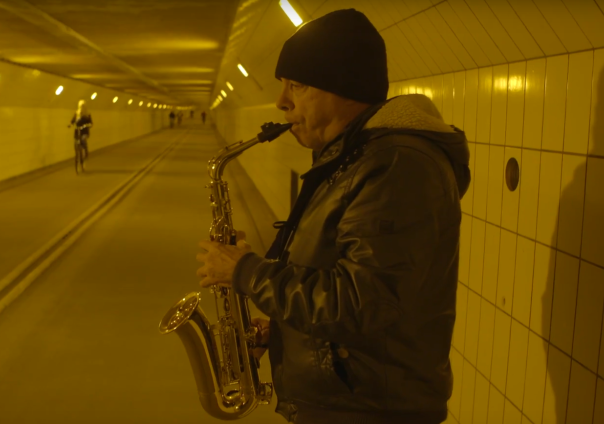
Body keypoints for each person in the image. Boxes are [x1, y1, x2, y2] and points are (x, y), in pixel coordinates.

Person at [196, 9, 470, 424]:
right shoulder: (354, 157)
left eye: (297, 86)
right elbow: (345, 282)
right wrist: (288, 334)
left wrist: (248, 272)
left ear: (346, 87)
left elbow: (364, 302)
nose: (281, 102)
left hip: (371, 412)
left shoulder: (396, 166)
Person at [69, 100, 93, 170]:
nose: (81, 107)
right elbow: (72, 120)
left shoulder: (87, 114)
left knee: (83, 139)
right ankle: (78, 156)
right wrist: (70, 124)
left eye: (83, 106)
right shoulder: (77, 113)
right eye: (80, 106)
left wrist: (88, 125)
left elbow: (91, 123)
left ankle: (85, 151)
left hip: (85, 132)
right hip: (77, 131)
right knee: (75, 143)